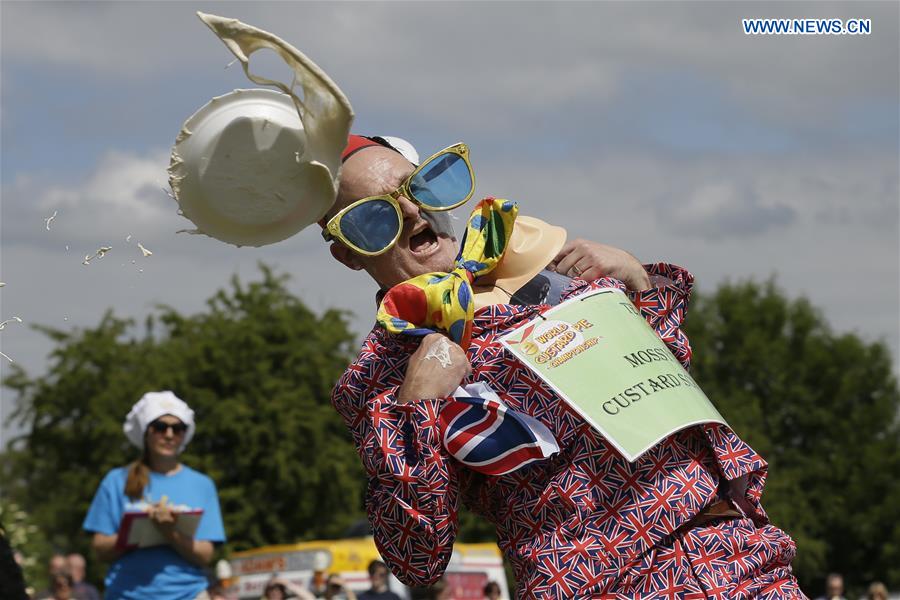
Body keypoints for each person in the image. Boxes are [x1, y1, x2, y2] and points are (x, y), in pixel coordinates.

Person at [327, 135, 806, 598]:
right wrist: (418, 405)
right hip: (607, 585)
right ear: (348, 253)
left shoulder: (547, 273)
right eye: (375, 215)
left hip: (739, 562)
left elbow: (668, 394)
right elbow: (415, 556)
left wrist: (638, 286)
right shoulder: (382, 373)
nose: (411, 212)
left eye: (417, 187)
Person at [83, 391, 226, 599]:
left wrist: (170, 532)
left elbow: (205, 555)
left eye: (177, 429)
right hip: (127, 594)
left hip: (188, 594)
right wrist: (140, 528)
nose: (169, 434)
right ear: (146, 432)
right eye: (160, 427)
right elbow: (99, 550)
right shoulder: (116, 481)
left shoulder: (202, 485)